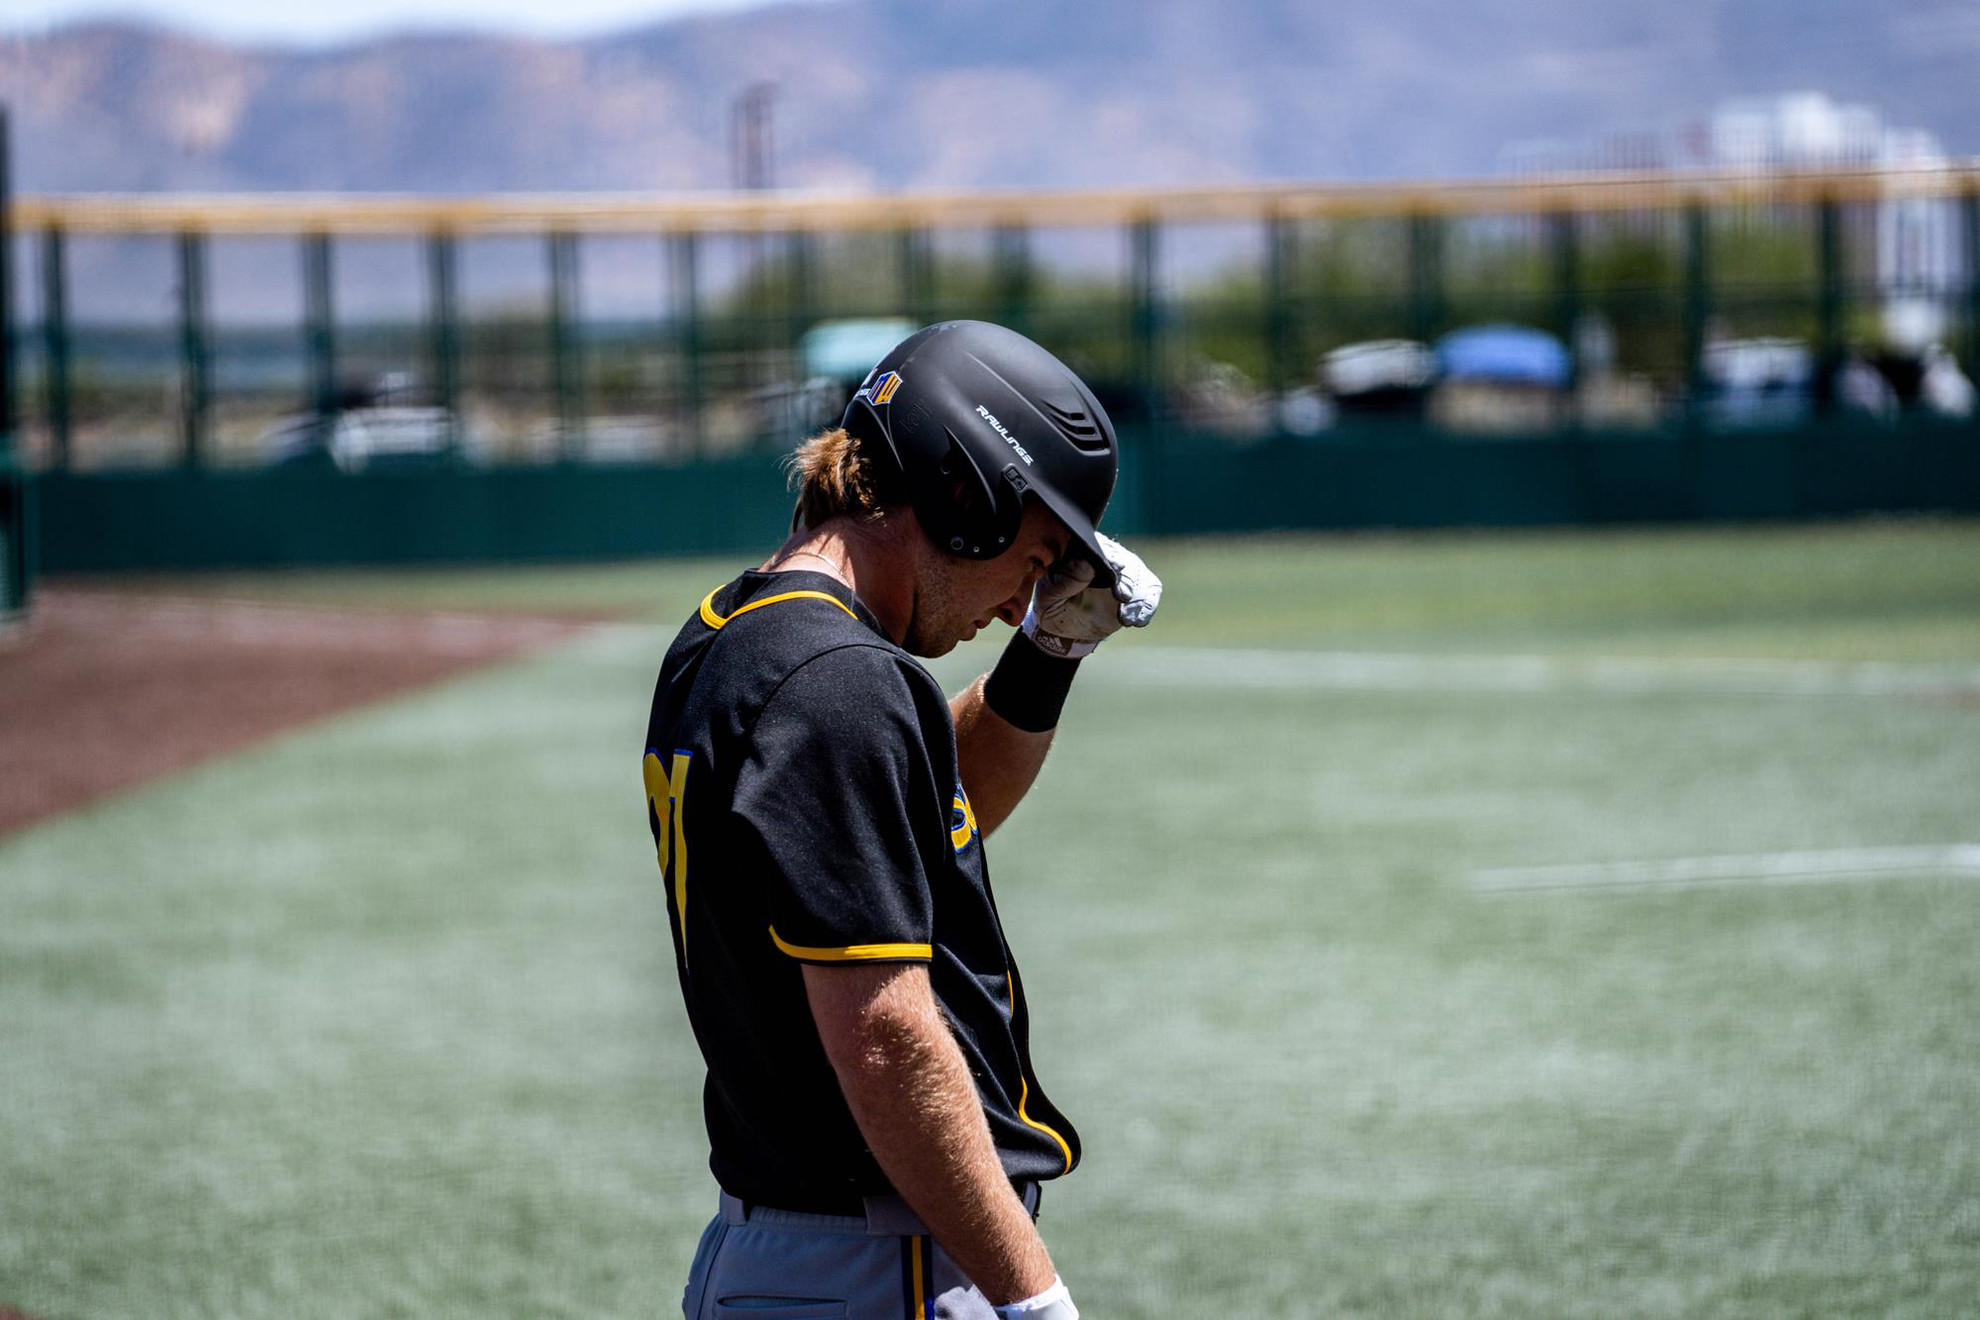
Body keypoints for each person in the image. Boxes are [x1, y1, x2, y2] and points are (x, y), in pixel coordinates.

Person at [641, 320, 1162, 1319]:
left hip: (801, 1256)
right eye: (1036, 556)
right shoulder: (840, 687)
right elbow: (884, 1037)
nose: (1024, 599)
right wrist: (1034, 1298)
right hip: (878, 1269)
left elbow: (912, 812)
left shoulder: (738, 635)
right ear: (965, 493)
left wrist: (1049, 653)